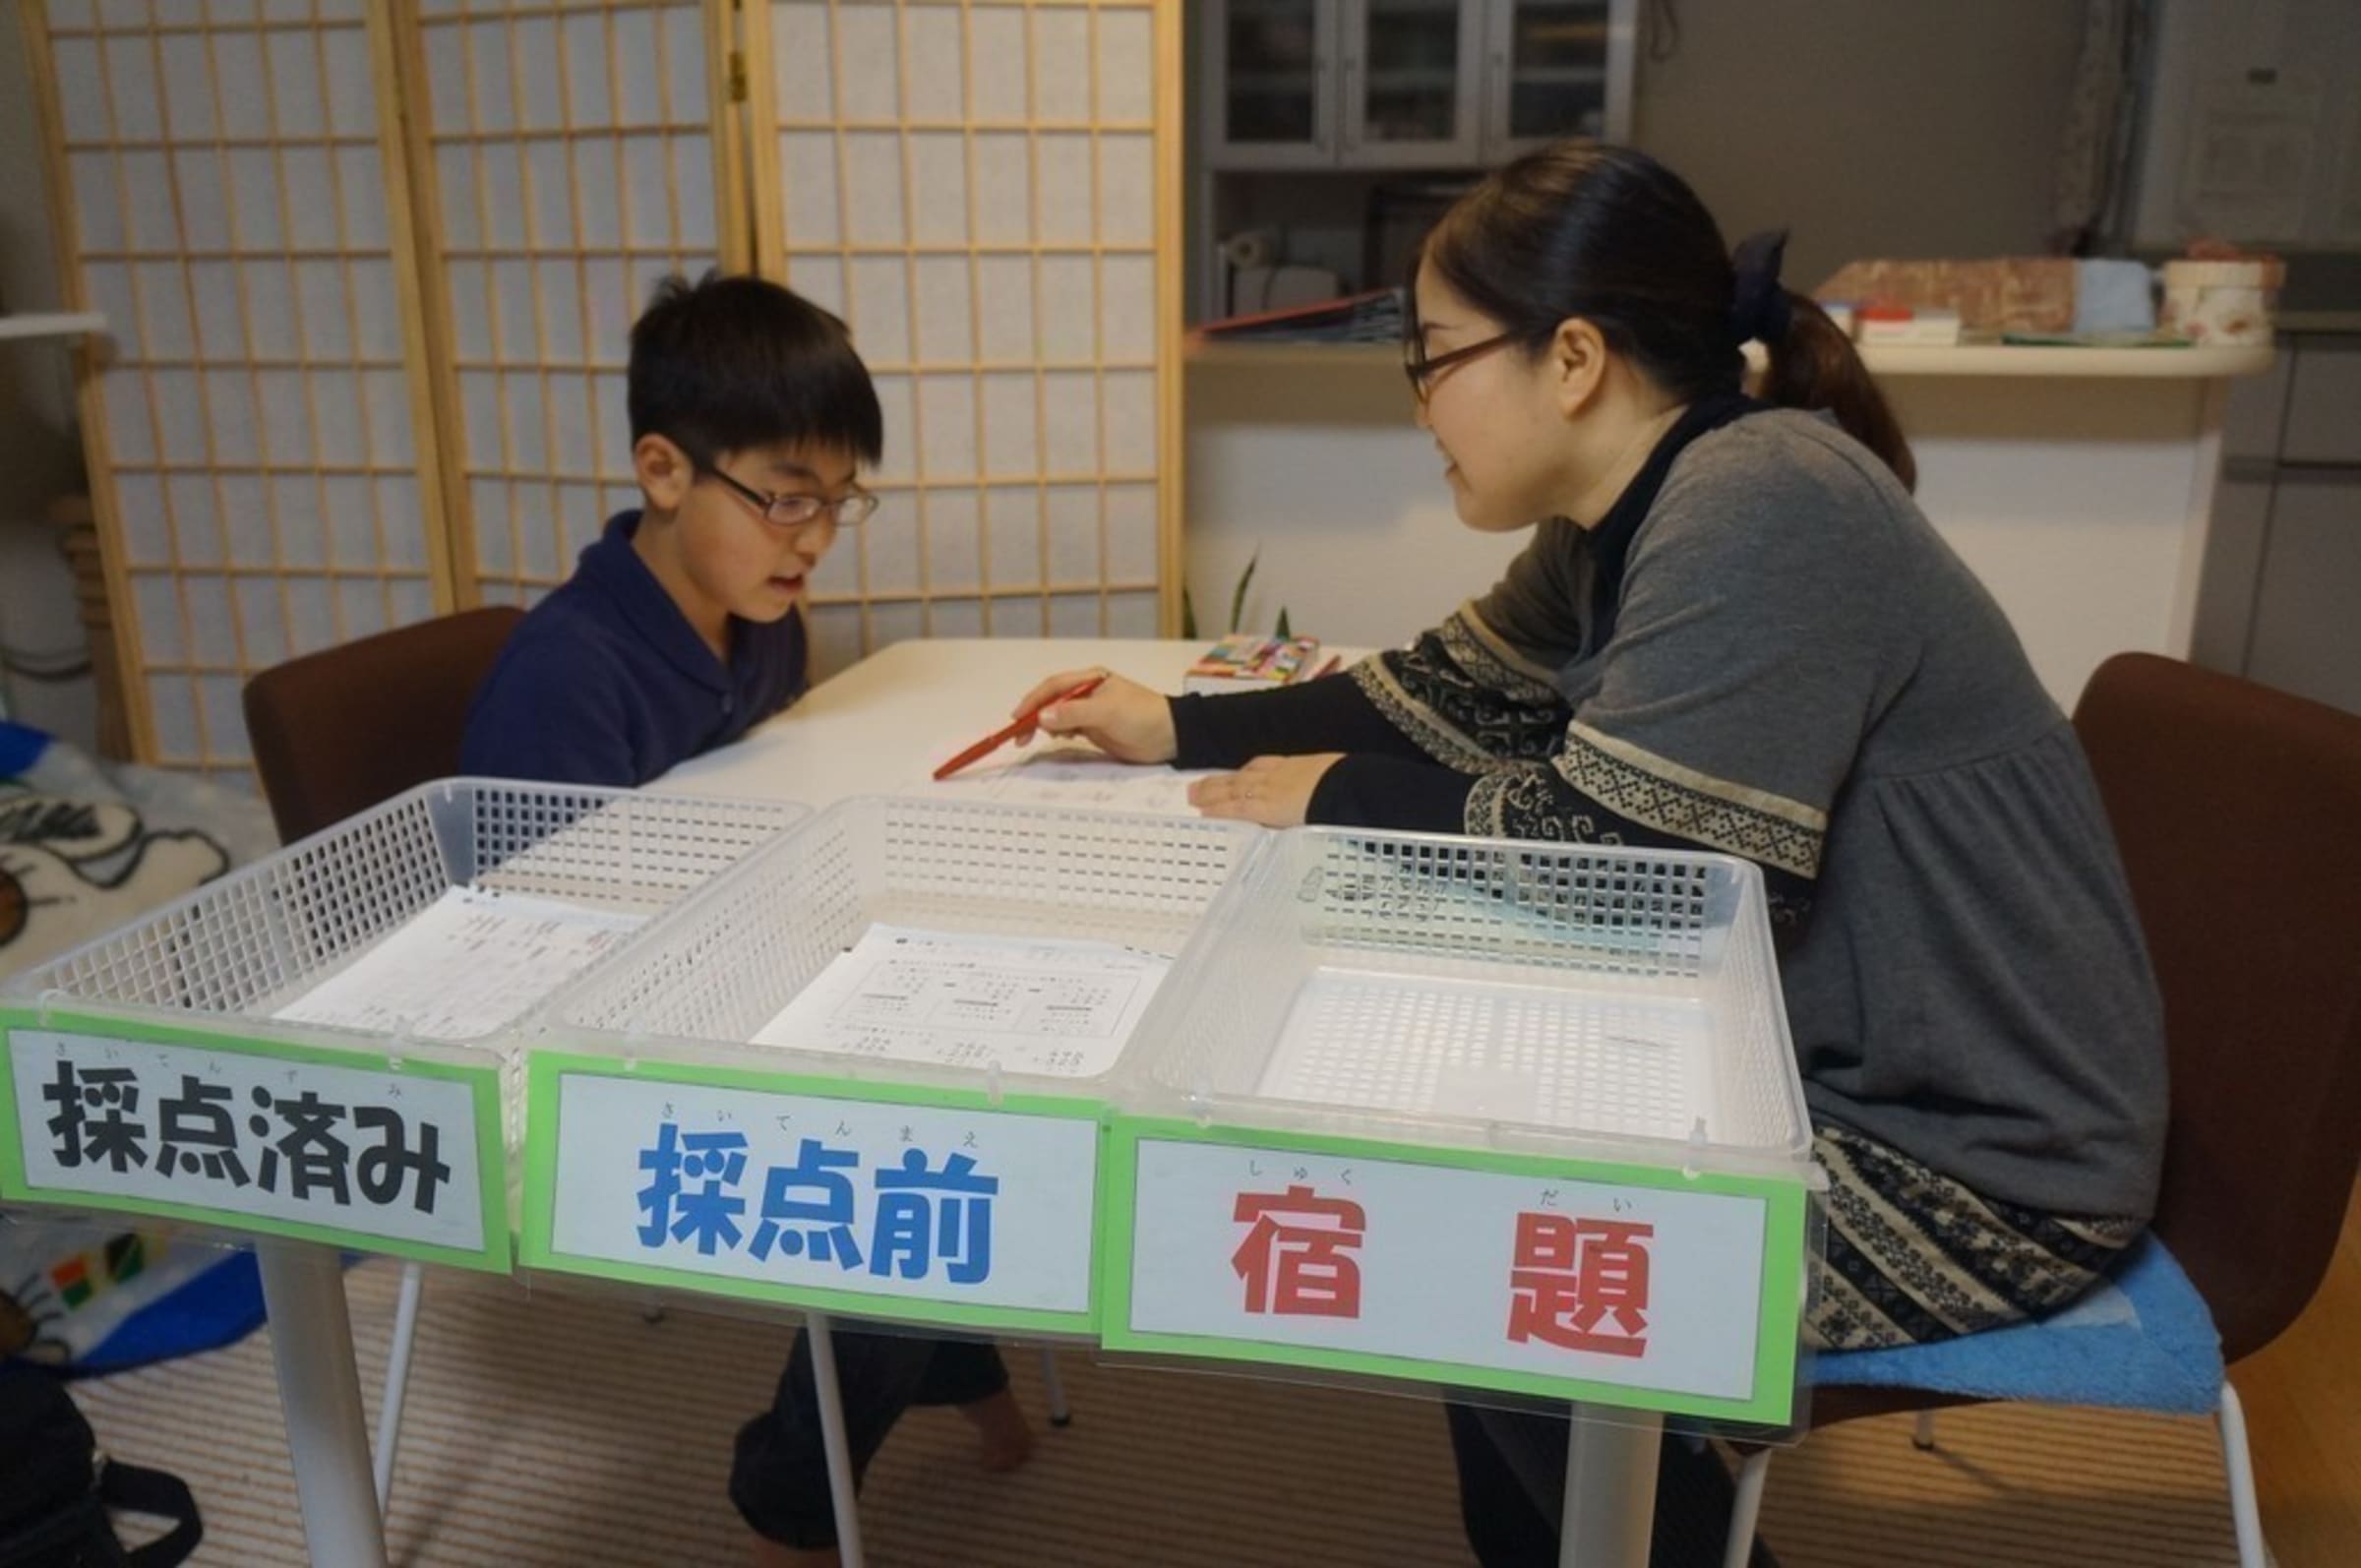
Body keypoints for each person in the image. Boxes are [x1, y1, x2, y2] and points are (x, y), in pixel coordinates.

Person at [1010, 143, 2166, 1566]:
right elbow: (1432, 698)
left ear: (1571, 359)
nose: (1420, 404)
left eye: (1435, 358)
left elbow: (1635, 868)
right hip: (1821, 1070)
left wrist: (1336, 795)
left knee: (1497, 1262)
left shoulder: (1763, 499)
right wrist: (1176, 723)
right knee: (1459, 1184)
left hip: (1978, 1158)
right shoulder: (1626, 516)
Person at [460, 271, 1030, 1568]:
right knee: (903, 1152)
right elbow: (532, 944)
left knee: (963, 1068)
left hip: (731, 956)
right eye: (785, 496)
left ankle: (946, 1374)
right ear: (664, 470)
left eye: (838, 501)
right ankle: (794, 1500)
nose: (814, 537)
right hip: (578, 1047)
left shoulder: (758, 626)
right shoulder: (565, 676)